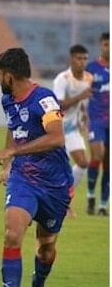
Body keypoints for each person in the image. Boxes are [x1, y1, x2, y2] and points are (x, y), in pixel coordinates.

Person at [0, 48, 72, 287]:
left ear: (9, 76)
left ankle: (39, 282)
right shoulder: (8, 100)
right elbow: (14, 130)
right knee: (12, 233)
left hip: (55, 185)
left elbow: (57, 138)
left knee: (46, 249)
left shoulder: (44, 99)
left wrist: (14, 150)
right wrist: (10, 163)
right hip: (23, 179)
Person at [52, 44, 93, 198]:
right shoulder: (62, 79)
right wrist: (80, 97)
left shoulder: (89, 78)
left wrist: (84, 117)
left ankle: (65, 196)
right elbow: (58, 105)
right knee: (54, 169)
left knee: (83, 163)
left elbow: (84, 104)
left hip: (72, 129)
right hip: (57, 128)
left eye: (85, 59)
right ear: (71, 59)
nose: (82, 62)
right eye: (79, 58)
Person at [85, 32, 110, 216]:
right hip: (96, 120)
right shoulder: (91, 69)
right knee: (98, 154)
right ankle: (91, 195)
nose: (108, 48)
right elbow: (83, 92)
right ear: (101, 46)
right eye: (105, 45)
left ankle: (102, 205)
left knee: (108, 163)